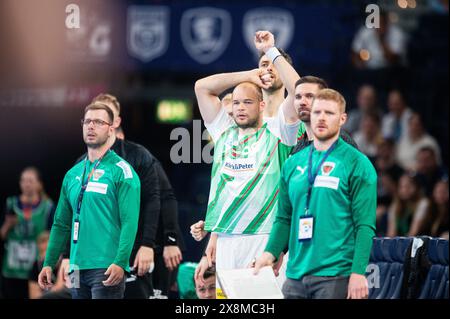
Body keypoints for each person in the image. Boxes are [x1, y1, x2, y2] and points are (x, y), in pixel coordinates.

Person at [193, 30, 300, 297]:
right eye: (236, 102)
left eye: (247, 102)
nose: (240, 107)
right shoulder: (224, 132)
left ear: (261, 105)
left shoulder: (278, 131)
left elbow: (300, 92)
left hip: (265, 236)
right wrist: (249, 75)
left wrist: (272, 53)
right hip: (228, 238)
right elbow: (202, 87)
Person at [254, 89, 377, 299]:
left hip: (335, 275)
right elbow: (283, 217)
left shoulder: (358, 163)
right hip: (294, 276)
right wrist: (270, 252)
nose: (321, 118)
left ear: (342, 119)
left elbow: (365, 226)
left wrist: (358, 272)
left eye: (329, 113)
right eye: (317, 112)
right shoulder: (293, 163)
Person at [38, 103, 140, 299]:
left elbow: (130, 221)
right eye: (87, 121)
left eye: (99, 122)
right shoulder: (72, 174)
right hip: (76, 266)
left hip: (106, 266)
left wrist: (120, 262)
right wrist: (49, 263)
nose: (91, 126)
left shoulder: (122, 171)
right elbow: (60, 224)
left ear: (111, 129)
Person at [90, 94, 184, 299]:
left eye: (104, 117)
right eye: (93, 118)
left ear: (115, 121)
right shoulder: (87, 161)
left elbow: (163, 197)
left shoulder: (138, 155)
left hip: (154, 245)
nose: (98, 122)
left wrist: (170, 241)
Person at [0, 167, 54, 299]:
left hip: (35, 269)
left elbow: (54, 239)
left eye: (30, 180)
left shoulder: (48, 207)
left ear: (39, 184)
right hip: (12, 269)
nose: (26, 184)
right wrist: (7, 225)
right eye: (23, 180)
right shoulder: (10, 204)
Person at [290, 76, 358, 155]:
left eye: (309, 96)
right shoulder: (298, 149)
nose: (302, 102)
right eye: (298, 97)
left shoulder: (341, 142)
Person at [386, 173, 429, 237]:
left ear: (417, 187)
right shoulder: (395, 205)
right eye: (401, 187)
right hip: (401, 241)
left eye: (408, 186)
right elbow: (391, 233)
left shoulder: (423, 203)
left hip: (418, 242)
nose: (404, 190)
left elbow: (413, 232)